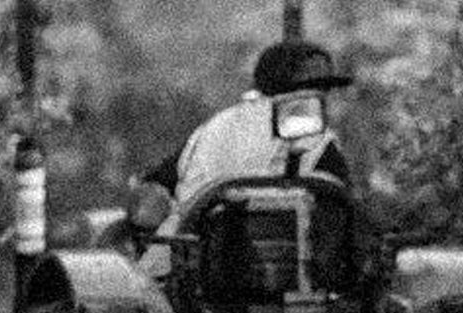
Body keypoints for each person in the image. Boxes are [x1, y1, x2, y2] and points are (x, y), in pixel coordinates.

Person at [128, 39, 354, 278]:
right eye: (320, 87)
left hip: (183, 271)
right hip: (278, 276)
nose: (326, 96)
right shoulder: (318, 138)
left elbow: (154, 189)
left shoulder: (214, 126)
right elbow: (340, 212)